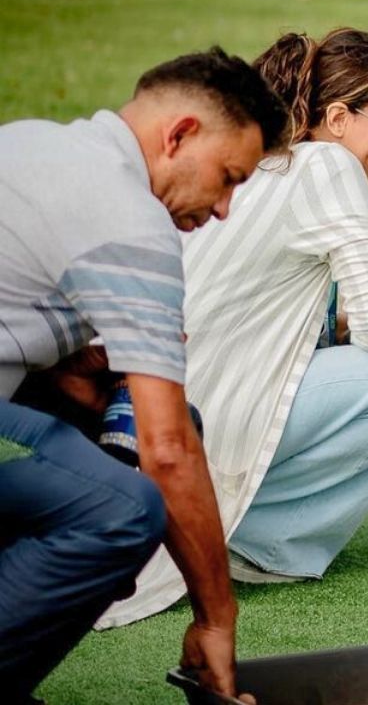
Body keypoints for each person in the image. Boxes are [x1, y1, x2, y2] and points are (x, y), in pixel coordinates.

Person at [100, 28, 368, 627]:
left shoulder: (262, 161)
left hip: (143, 421)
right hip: (198, 421)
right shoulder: (328, 167)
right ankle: (259, 543)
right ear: (338, 118)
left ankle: (236, 529)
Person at [0, 48, 287, 700]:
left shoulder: (32, 142)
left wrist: (83, 366)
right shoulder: (130, 219)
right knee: (122, 509)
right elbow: (167, 454)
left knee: (125, 418)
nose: (223, 210)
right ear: (180, 134)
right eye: (228, 177)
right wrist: (217, 617)